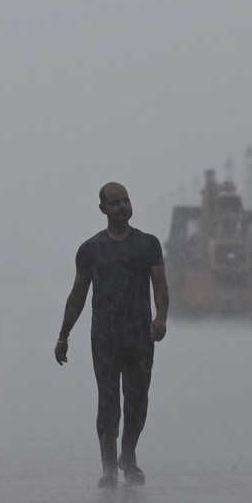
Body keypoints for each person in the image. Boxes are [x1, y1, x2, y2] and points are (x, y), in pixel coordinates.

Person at [56, 182, 168, 487]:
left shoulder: (148, 245)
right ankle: (108, 468)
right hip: (104, 337)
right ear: (103, 209)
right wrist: (63, 335)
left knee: (137, 401)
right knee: (108, 402)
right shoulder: (91, 250)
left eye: (126, 201)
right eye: (115, 203)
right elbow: (78, 295)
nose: (122, 207)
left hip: (140, 336)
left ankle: (128, 455)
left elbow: (160, 285)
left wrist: (161, 317)